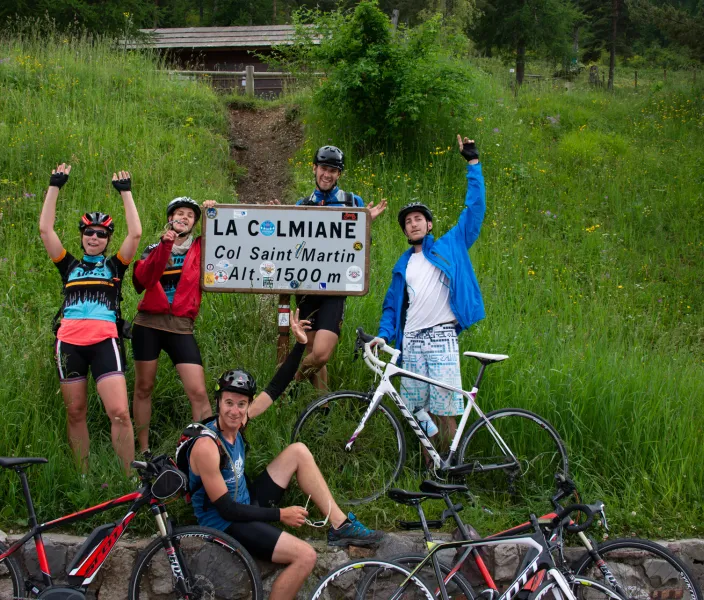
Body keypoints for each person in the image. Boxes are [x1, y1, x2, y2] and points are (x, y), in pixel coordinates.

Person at [186, 312, 383, 600]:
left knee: (298, 452)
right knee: (305, 556)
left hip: (246, 503)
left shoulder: (239, 422)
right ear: (218, 403)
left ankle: (341, 526)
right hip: (225, 525)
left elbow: (276, 387)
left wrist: (300, 345)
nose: (234, 410)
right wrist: (281, 514)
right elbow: (227, 511)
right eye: (228, 403)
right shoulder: (206, 446)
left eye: (241, 404)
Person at [376, 135, 486, 454]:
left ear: (429, 224)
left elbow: (474, 210)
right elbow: (391, 308)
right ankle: (431, 465)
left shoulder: (450, 245)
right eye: (408, 222)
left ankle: (451, 465)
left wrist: (473, 164)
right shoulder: (403, 265)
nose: (413, 224)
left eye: (418, 219)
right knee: (415, 410)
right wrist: (383, 336)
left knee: (445, 406)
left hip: (440, 337)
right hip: (410, 340)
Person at [38, 164, 142, 473]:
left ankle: (128, 481)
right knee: (76, 413)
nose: (94, 237)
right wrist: (54, 186)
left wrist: (126, 193)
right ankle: (82, 478)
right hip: (68, 343)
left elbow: (135, 233)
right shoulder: (68, 266)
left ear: (108, 239)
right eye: (89, 233)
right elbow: (46, 230)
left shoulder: (115, 267)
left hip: (104, 342)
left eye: (101, 234)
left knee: (120, 413)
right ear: (82, 236)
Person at [294, 145, 388, 390]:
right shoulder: (302, 204)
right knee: (313, 349)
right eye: (324, 168)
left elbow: (359, 248)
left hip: (335, 289)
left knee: (322, 354)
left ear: (339, 174)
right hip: (306, 286)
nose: (328, 174)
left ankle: (289, 385)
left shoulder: (351, 201)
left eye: (333, 171)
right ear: (314, 168)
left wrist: (366, 224)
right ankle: (322, 409)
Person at [131, 197, 211, 455]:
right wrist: (165, 246)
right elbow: (142, 280)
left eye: (190, 215)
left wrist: (214, 214)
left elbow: (228, 243)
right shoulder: (154, 248)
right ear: (170, 219)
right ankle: (143, 450)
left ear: (196, 223)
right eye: (179, 213)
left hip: (180, 326)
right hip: (148, 324)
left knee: (198, 391)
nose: (184, 217)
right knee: (144, 387)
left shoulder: (201, 247)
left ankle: (204, 450)